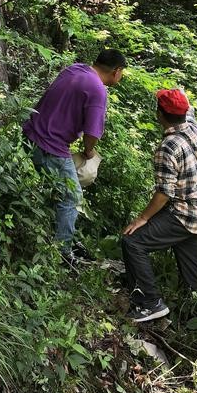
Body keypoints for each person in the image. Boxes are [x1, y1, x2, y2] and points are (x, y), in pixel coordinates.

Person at [23, 49, 126, 263]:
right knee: (71, 197)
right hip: (51, 147)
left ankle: (43, 233)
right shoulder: (98, 90)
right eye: (122, 72)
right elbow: (92, 134)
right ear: (116, 71)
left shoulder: (75, 69)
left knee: (51, 191)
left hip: (29, 134)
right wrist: (89, 151)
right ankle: (61, 253)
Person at [121, 88, 197, 322]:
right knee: (194, 280)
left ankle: (149, 302)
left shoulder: (168, 147)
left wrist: (143, 218)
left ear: (160, 114)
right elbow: (188, 106)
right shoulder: (193, 127)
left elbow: (164, 194)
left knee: (133, 241)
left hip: (182, 215)